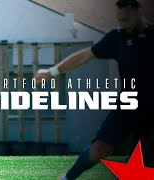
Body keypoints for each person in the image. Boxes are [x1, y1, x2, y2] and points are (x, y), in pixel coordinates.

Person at [35, 0, 154, 179]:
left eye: (127, 20)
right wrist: (52, 72)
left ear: (139, 10)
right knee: (99, 148)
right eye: (120, 20)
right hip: (128, 105)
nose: (123, 25)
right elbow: (84, 56)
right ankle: (67, 177)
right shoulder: (117, 37)